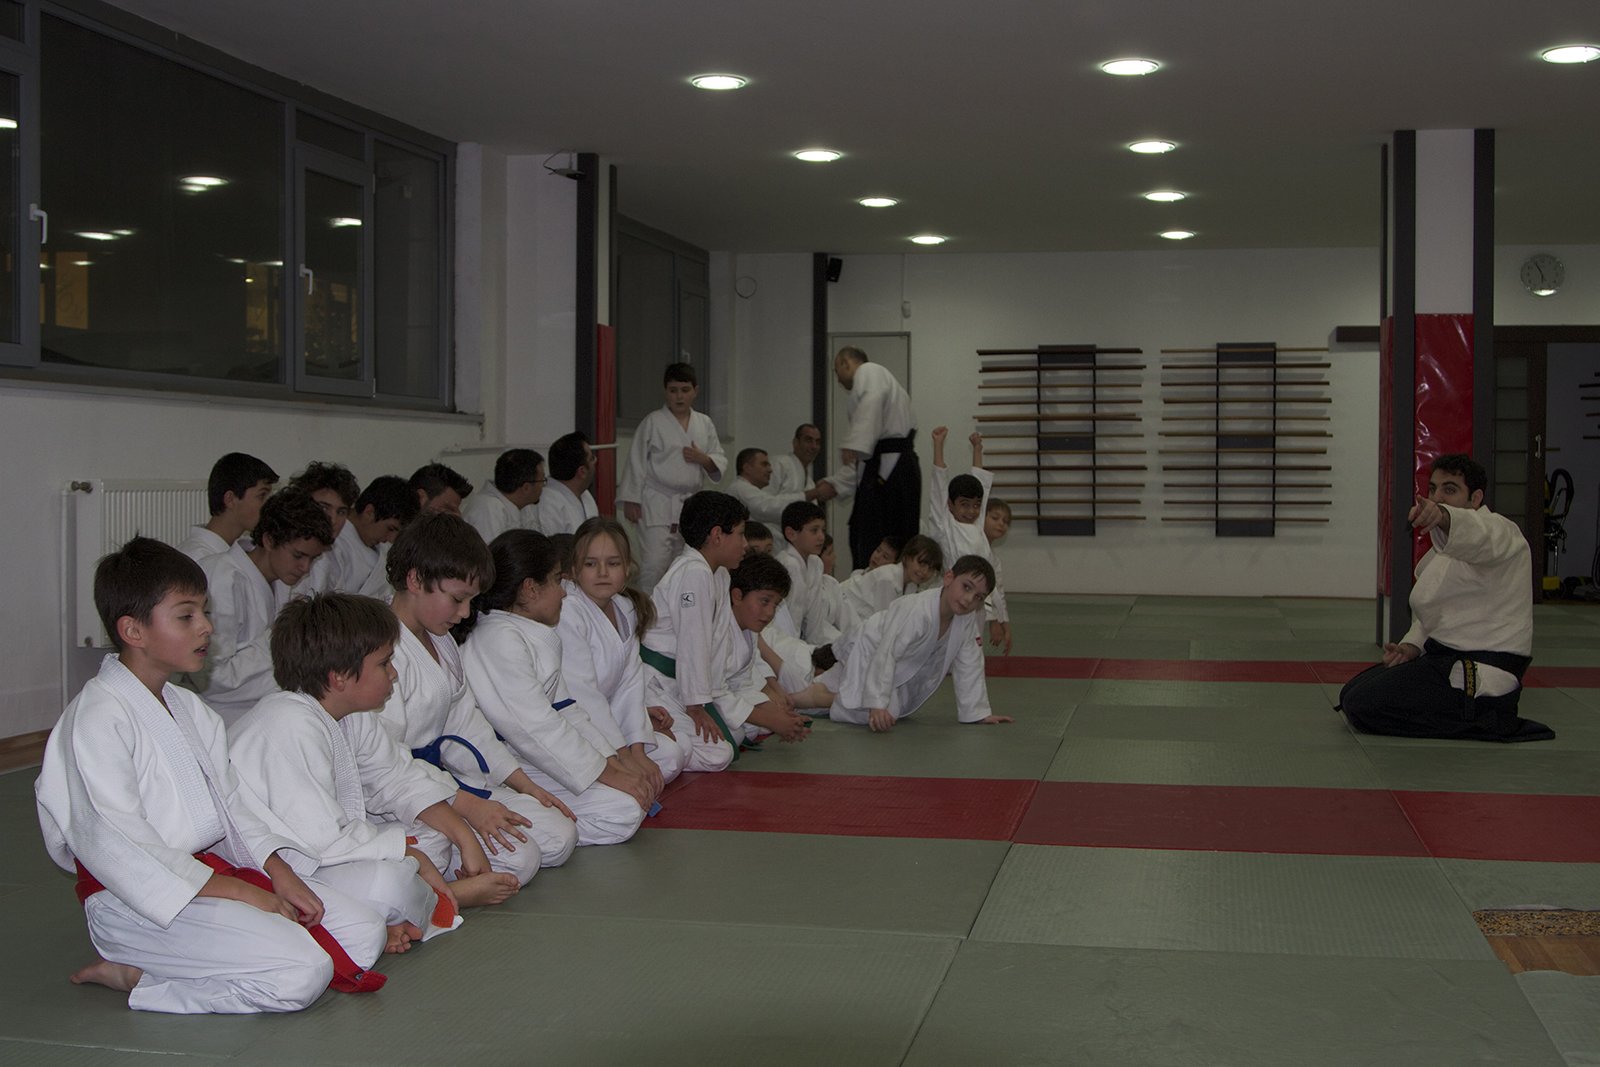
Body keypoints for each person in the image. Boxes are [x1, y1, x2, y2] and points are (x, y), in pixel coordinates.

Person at [35, 538, 386, 1014]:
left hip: (204, 879)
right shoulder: (96, 719)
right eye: (186, 616)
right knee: (302, 974)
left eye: (204, 612)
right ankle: (141, 979)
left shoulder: (188, 708)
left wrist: (278, 875)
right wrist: (246, 894)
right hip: (137, 900)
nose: (206, 627)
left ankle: (188, 961)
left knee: (363, 932)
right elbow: (121, 846)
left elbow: (235, 807)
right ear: (133, 630)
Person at [229, 594, 460, 955]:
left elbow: (392, 775)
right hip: (272, 868)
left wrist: (433, 843)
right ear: (339, 677)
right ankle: (445, 899)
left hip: (320, 855)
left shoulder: (347, 714)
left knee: (429, 841)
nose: (394, 673)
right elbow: (320, 839)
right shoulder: (289, 721)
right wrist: (404, 852)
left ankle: (408, 908)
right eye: (384, 663)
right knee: (390, 882)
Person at [356, 513, 578, 883]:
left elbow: (466, 724)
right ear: (415, 579)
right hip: (396, 799)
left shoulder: (441, 640)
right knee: (521, 859)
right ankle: (440, 878)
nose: (464, 614)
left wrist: (523, 784)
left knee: (559, 835)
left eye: (471, 601)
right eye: (458, 599)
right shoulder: (377, 651)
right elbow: (382, 766)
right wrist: (467, 807)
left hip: (444, 784)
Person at [459, 530, 654, 847]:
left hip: (532, 754)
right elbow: (535, 726)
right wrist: (606, 774)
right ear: (530, 589)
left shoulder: (526, 631)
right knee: (618, 811)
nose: (564, 592)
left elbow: (568, 710)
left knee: (627, 800)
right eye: (556, 580)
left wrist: (612, 763)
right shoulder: (498, 638)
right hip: (500, 767)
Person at [1339, 454, 1551, 742]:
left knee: (1362, 705)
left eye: (1450, 490)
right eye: (1433, 489)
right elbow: (1434, 612)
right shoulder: (1442, 552)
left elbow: (1478, 534)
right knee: (1351, 693)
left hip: (1479, 673)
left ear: (1476, 498)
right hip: (1444, 660)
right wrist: (1411, 646)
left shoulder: (1502, 533)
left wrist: (1442, 515)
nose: (1437, 497)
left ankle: (1486, 719)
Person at [795, 555, 1014, 732]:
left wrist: (977, 712)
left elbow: (970, 664)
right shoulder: (919, 611)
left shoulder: (965, 621)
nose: (969, 599)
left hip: (889, 668)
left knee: (881, 708)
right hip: (869, 648)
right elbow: (887, 652)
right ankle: (805, 698)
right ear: (949, 577)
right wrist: (877, 703)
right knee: (873, 710)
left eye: (978, 597)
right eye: (966, 587)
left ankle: (799, 697)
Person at [556, 517, 686, 786]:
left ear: (627, 568)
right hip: (573, 725)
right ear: (574, 570)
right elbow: (584, 694)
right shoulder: (568, 610)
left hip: (609, 722)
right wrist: (622, 754)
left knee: (675, 753)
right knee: (630, 791)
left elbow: (630, 684)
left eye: (613, 563)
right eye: (590, 564)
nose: (602, 572)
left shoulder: (625, 609)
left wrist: (636, 748)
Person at [196, 489, 333, 723]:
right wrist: (283, 636)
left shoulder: (281, 582)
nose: (305, 568)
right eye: (298, 556)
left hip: (266, 708)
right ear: (269, 540)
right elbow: (212, 678)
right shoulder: (223, 578)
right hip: (221, 715)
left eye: (313, 559)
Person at [639, 490, 747, 770]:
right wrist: (696, 706)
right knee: (718, 755)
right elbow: (692, 643)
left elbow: (716, 643)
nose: (745, 544)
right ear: (717, 535)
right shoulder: (693, 572)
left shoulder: (717, 573)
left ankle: (664, 736)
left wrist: (710, 696)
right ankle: (642, 740)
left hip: (680, 684)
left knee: (735, 734)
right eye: (740, 534)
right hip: (657, 684)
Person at [618, 363, 728, 589]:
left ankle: (679, 608)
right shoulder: (653, 422)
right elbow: (636, 461)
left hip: (690, 503)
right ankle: (647, 608)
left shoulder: (704, 423)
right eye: (673, 390)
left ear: (695, 391)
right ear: (665, 391)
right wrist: (631, 499)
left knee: (686, 563)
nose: (679, 396)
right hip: (657, 501)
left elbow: (718, 458)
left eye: (685, 390)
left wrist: (703, 459)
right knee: (654, 564)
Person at [830, 346, 918, 571]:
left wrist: (854, 442)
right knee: (874, 534)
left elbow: (873, 399)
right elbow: (863, 462)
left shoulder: (870, 371)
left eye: (836, 370)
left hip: (894, 469)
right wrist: (836, 484)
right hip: (887, 467)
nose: (837, 379)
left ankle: (887, 586)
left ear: (845, 363)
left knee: (882, 538)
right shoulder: (876, 382)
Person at [925, 427, 1011, 654]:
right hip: (951, 599)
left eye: (976, 505)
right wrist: (938, 446)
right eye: (964, 505)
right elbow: (938, 488)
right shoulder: (944, 526)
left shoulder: (977, 526)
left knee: (971, 653)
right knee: (944, 653)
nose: (972, 511)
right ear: (950, 505)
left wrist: (977, 449)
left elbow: (980, 483)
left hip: (977, 603)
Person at [356, 464, 472, 599]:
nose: (456, 516)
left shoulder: (430, 543)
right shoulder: (372, 535)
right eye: (447, 508)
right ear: (421, 497)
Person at [278, 461, 361, 601]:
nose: (332, 520)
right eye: (324, 508)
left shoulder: (337, 557)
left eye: (341, 512)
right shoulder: (280, 549)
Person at [176, 452, 277, 562]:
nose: (269, 505)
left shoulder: (245, 548)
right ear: (230, 499)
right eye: (262, 495)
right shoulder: (197, 558)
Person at [327, 475, 418, 594]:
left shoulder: (384, 551)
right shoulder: (332, 543)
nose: (391, 539)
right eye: (390, 528)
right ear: (369, 512)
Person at [837, 534, 943, 634]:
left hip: (854, 620)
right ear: (906, 557)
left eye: (931, 568)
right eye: (921, 563)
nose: (924, 571)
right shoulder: (888, 578)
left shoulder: (911, 585)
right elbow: (885, 625)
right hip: (839, 613)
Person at [774, 500, 837, 643]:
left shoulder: (815, 563)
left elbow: (815, 614)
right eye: (814, 530)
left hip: (802, 639)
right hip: (781, 638)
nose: (821, 537)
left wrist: (816, 645)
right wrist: (798, 649)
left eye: (823, 530)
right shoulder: (787, 564)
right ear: (791, 534)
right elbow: (791, 616)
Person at [729, 447, 836, 525]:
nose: (770, 470)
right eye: (764, 464)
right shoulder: (740, 488)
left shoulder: (747, 489)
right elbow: (768, 508)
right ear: (747, 468)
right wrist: (811, 494)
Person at [462, 448, 545, 543]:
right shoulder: (487, 509)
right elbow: (493, 551)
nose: (543, 486)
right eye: (542, 481)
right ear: (526, 488)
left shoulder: (524, 505)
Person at [538, 431, 602, 535]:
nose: (595, 461)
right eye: (592, 459)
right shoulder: (547, 504)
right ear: (582, 471)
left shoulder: (586, 496)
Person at [770, 423, 824, 497]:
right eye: (808, 440)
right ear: (795, 442)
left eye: (817, 442)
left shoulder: (810, 483)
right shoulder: (780, 464)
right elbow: (764, 500)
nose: (814, 446)